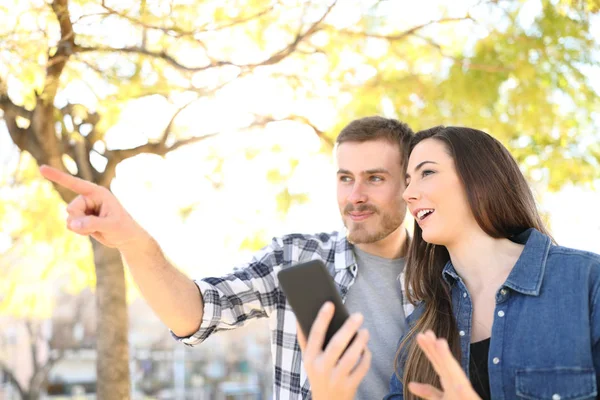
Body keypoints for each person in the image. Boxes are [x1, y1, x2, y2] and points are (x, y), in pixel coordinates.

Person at [40, 116, 416, 400]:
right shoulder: (297, 259)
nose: (355, 195)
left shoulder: (447, 274)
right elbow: (196, 312)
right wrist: (132, 241)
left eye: (375, 179)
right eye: (346, 178)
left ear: (408, 184)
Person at [300, 125, 600, 400]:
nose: (408, 194)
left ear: (480, 177)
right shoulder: (422, 325)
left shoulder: (586, 281)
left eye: (426, 173)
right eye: (406, 181)